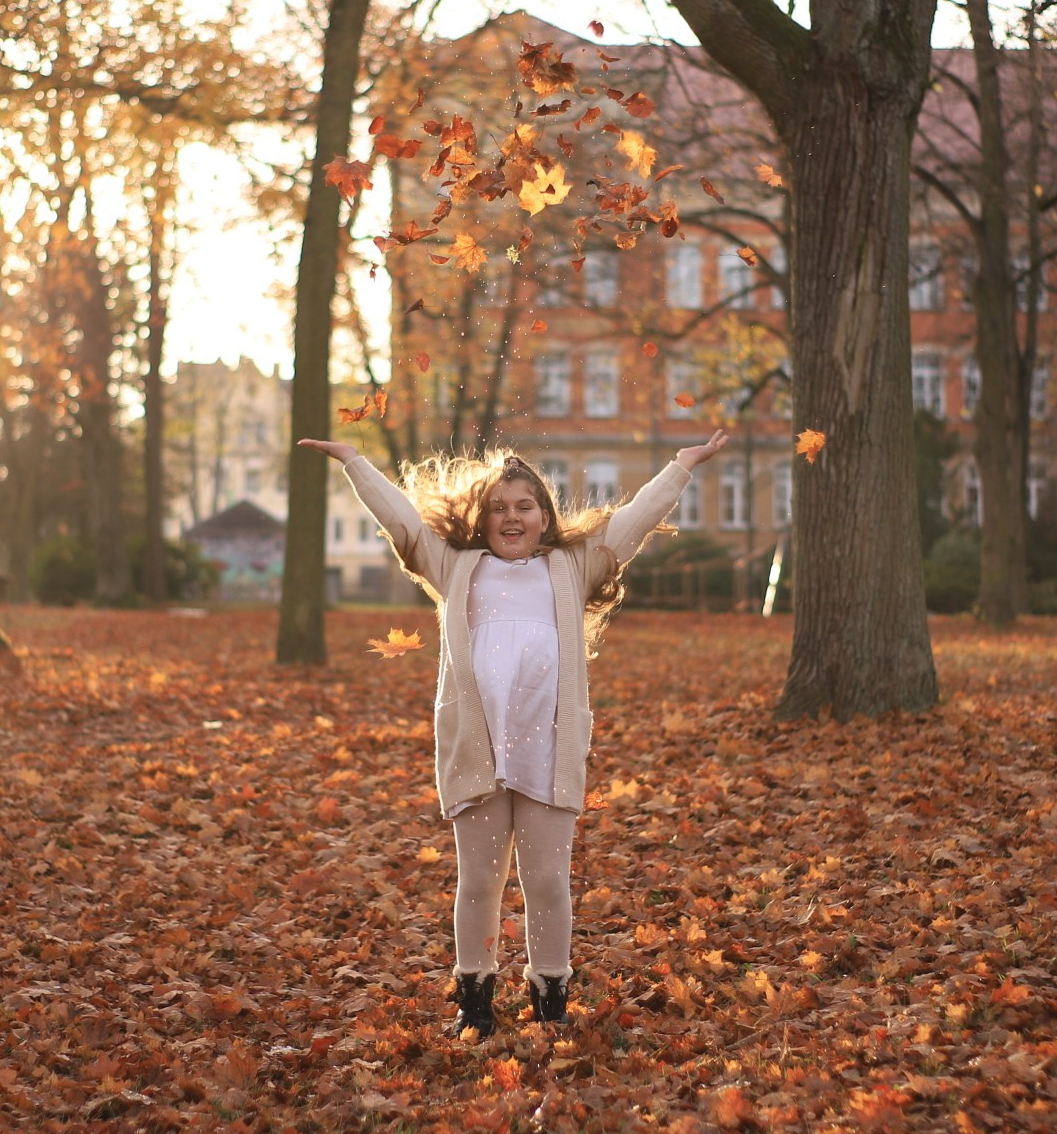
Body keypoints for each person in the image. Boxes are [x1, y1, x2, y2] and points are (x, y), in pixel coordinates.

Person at [297, 430, 732, 1039]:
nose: (511, 517)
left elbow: (632, 524)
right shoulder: (455, 567)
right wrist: (354, 462)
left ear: (545, 515)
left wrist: (682, 467)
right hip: (477, 746)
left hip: (547, 748)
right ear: (481, 519)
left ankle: (550, 997)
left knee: (547, 880)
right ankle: (474, 998)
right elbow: (403, 525)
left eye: (524, 506)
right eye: (498, 507)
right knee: (478, 880)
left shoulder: (571, 567)